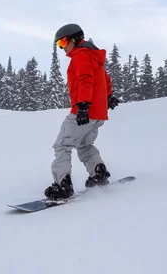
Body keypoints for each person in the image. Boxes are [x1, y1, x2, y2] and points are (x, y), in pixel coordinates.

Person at [44, 23, 120, 200]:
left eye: (63, 43)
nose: (63, 48)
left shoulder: (80, 56)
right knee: (84, 145)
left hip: (84, 110)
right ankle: (98, 173)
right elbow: (104, 78)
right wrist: (108, 96)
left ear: (74, 39)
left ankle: (62, 185)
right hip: (98, 113)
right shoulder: (94, 57)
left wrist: (83, 105)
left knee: (62, 145)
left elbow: (85, 79)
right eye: (59, 45)